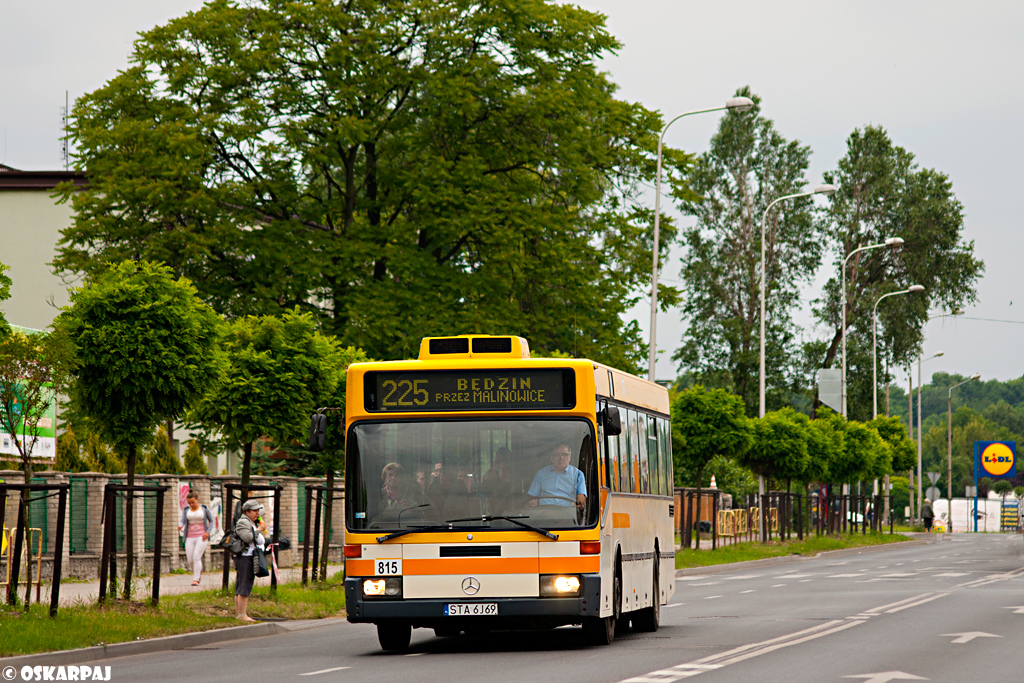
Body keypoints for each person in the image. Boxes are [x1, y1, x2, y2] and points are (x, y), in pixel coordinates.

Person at [234, 498, 267, 621]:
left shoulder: (250, 522)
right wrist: (259, 530)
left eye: (258, 510)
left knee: (242, 585)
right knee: (244, 584)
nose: (257, 513)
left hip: (248, 556)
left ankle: (240, 614)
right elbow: (247, 538)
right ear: (247, 511)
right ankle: (242, 615)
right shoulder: (243, 522)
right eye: (254, 511)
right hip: (245, 557)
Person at [528, 443, 586, 509]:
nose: (561, 458)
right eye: (557, 455)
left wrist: (580, 502)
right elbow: (533, 497)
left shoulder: (578, 474)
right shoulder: (541, 473)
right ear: (552, 457)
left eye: (564, 454)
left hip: (568, 514)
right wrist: (533, 503)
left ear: (569, 457)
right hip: (543, 512)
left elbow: (581, 497)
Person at [178, 490, 214, 586]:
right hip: (189, 536)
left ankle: (196, 579)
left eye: (193, 502)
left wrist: (207, 532)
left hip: (201, 536)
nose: (191, 504)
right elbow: (182, 521)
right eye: (189, 503)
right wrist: (180, 526)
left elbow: (211, 521)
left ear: (197, 499)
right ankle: (197, 573)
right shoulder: (186, 510)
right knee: (190, 559)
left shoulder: (204, 509)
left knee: (196, 556)